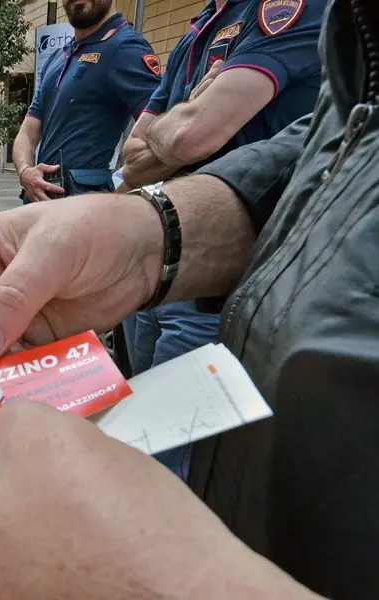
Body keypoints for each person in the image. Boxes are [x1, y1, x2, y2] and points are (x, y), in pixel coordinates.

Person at [0, 0, 379, 598]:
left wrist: (163, 580)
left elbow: (183, 136)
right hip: (176, 299)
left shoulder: (266, 18)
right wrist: (159, 229)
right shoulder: (202, 31)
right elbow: (334, 142)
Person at [118, 0, 325, 478]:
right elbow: (131, 160)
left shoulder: (287, 9)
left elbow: (191, 137)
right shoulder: (199, 31)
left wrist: (178, 126)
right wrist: (190, 114)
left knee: (169, 463)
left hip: (218, 285)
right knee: (138, 434)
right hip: (161, 261)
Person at [13, 0, 161, 204]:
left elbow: (162, 135)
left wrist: (120, 195)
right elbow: (28, 132)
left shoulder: (126, 47)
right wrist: (25, 171)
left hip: (86, 211)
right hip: (39, 204)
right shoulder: (59, 56)